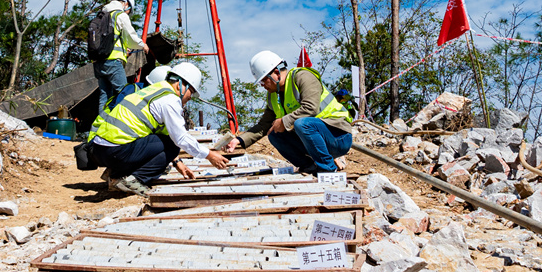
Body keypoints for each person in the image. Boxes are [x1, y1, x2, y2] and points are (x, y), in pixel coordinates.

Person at [89, 62, 230, 196]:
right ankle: (132, 180)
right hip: (115, 152)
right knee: (173, 145)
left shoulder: (154, 89)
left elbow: (161, 135)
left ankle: (114, 173)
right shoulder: (170, 100)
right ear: (181, 85)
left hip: (98, 151)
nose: (190, 97)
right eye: (191, 92)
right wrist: (209, 155)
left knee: (165, 142)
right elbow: (179, 138)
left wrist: (177, 162)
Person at [225, 50, 353, 173]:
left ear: (276, 72)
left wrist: (284, 121)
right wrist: (239, 140)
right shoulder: (273, 95)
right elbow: (263, 125)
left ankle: (328, 169)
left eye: (264, 80)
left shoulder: (302, 77)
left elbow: (311, 107)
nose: (263, 85)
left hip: (338, 137)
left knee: (302, 124)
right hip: (313, 142)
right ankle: (309, 167)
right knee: (275, 134)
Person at [94, 0, 149, 114]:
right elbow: (131, 37)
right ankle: (123, 127)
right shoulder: (120, 15)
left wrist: (124, 49)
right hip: (113, 62)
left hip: (98, 63)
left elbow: (112, 39)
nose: (128, 13)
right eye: (129, 11)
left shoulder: (101, 15)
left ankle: (100, 128)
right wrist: (142, 45)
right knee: (126, 94)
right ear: (126, 5)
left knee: (105, 97)